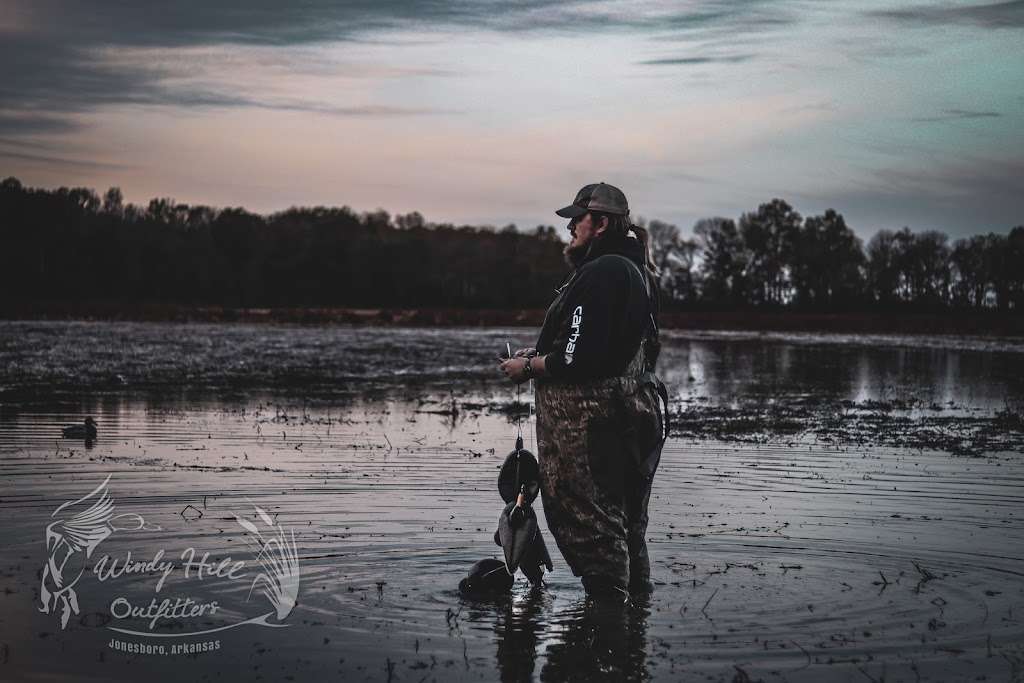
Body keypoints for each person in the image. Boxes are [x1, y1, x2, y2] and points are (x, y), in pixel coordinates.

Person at [498, 182, 666, 599]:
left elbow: (579, 359)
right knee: (626, 527)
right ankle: (632, 634)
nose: (569, 226)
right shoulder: (634, 270)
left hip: (595, 426)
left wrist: (529, 367)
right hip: (633, 416)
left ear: (602, 223)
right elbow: (599, 345)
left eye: (578, 218)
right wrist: (542, 351)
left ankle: (606, 635)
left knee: (590, 524)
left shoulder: (603, 271)